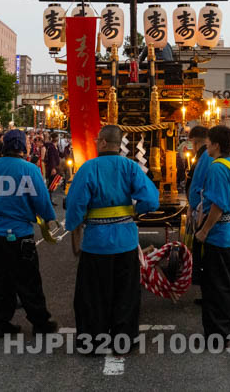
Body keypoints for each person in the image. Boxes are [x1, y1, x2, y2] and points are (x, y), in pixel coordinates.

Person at [64, 125, 159, 344]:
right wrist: (135, 210)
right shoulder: (131, 167)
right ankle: (124, 340)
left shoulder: (88, 168)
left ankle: (92, 341)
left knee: (93, 295)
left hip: (96, 243)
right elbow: (152, 200)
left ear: (104, 142)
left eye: (98, 140)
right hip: (125, 241)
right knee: (126, 294)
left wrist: (73, 227)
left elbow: (75, 205)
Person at [0, 129, 59, 337]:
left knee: (0, 277)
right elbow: (41, 199)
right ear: (22, 147)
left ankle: (1, 323)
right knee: (28, 278)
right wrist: (48, 216)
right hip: (20, 232)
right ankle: (40, 322)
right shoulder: (30, 169)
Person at [191, 125, 230, 338]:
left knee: (216, 286)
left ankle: (218, 333)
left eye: (207, 142)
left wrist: (204, 231)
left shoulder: (216, 168)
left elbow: (218, 205)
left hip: (219, 234)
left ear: (215, 145)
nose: (205, 145)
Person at [185, 125, 212, 294]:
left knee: (204, 252)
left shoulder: (206, 157)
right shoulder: (204, 156)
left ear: (195, 142)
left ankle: (207, 291)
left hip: (204, 211)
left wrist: (196, 207)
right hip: (201, 208)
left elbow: (201, 185)